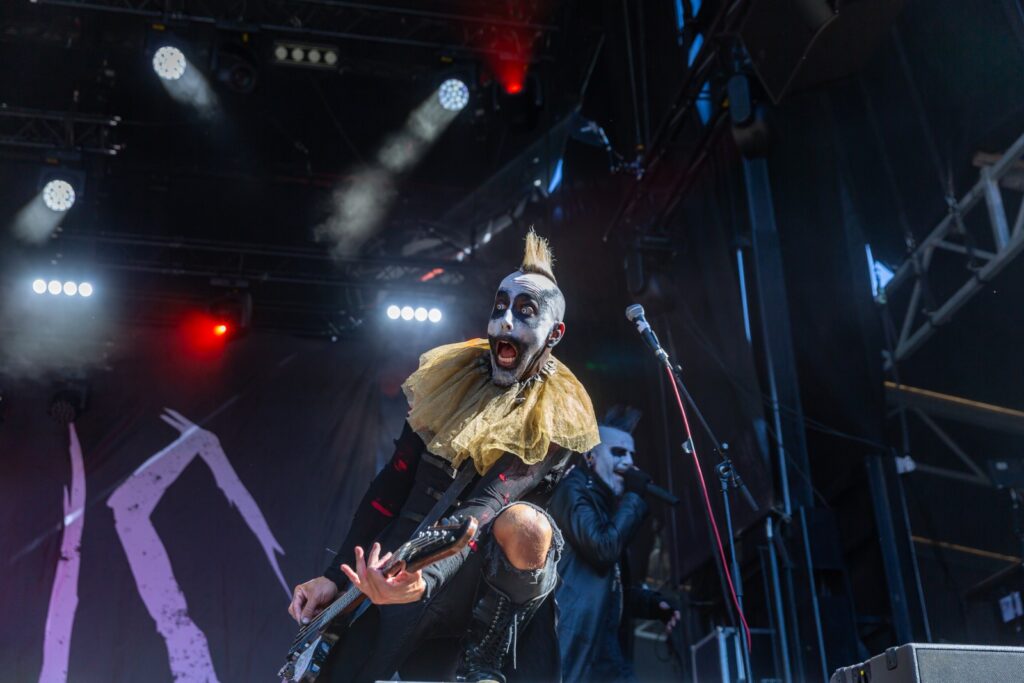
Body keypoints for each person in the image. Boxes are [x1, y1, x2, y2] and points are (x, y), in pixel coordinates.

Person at [287, 230, 600, 683]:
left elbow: (486, 507)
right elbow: (391, 488)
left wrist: (421, 578)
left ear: (555, 333)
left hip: (474, 581)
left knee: (525, 524)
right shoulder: (448, 381)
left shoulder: (556, 410)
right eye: (499, 307)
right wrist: (334, 577)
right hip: (401, 565)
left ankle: (484, 658)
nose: (504, 323)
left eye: (524, 312)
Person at [548, 405, 681, 683]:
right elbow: (602, 549)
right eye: (619, 452)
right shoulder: (572, 490)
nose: (629, 462)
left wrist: (652, 605)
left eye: (632, 454)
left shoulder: (606, 511)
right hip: (575, 649)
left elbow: (608, 591)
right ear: (590, 457)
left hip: (603, 653)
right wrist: (634, 497)